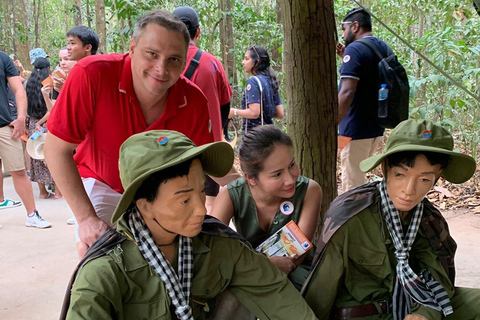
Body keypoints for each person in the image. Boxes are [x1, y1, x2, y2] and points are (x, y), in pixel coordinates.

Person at [63, 129, 318, 320]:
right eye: (184, 200)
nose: (200, 210)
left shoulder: (220, 247)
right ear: (144, 205)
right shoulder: (105, 273)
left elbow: (275, 294)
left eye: (200, 192)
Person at [44, 9, 228, 258]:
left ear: (185, 61)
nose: (161, 69)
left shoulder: (193, 98)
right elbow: (55, 150)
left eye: (174, 59)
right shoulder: (92, 74)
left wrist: (256, 184)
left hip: (159, 190)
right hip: (102, 183)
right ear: (132, 48)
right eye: (152, 54)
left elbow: (212, 162)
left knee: (188, 256)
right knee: (98, 254)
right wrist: (86, 219)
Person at [302, 119, 480, 320]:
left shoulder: (429, 219)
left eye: (424, 180)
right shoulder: (350, 215)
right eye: (400, 175)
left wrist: (424, 314)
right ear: (385, 168)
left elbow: (438, 278)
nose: (409, 190)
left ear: (437, 177)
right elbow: (320, 293)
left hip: (417, 304)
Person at [211, 125, 322, 290]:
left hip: (296, 271)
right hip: (245, 273)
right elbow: (212, 250)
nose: (290, 180)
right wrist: (263, 266)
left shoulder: (309, 191)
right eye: (277, 174)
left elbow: (298, 255)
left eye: (291, 165)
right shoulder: (230, 195)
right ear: (251, 178)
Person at [173, 6, 234, 212]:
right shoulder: (212, 63)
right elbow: (225, 104)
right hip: (208, 148)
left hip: (171, 149)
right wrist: (218, 133)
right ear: (197, 32)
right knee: (211, 200)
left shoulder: (161, 63)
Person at [336, 8, 389, 193]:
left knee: (353, 187)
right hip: (374, 128)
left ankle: (353, 220)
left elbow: (347, 92)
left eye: (344, 29)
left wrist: (331, 122)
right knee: (357, 175)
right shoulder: (382, 47)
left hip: (354, 130)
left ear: (355, 26)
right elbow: (369, 79)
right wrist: (346, 59)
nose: (343, 35)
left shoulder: (355, 49)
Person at [0, 50, 51, 228]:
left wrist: (21, 117)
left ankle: (32, 214)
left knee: (19, 170)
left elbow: (18, 89)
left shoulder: (3, 58)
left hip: (4, 125)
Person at [25, 57, 62, 199]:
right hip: (47, 124)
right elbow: (51, 110)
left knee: (36, 157)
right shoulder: (49, 84)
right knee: (53, 157)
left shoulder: (28, 84)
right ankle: (58, 192)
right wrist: (41, 123)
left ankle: (42, 192)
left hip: (33, 125)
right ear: (48, 68)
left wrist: (32, 125)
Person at [230, 45, 284, 134]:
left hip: (254, 137)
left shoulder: (253, 81)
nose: (243, 62)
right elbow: (280, 113)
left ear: (257, 62)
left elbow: (254, 113)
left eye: (247, 59)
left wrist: (234, 111)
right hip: (270, 135)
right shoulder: (271, 80)